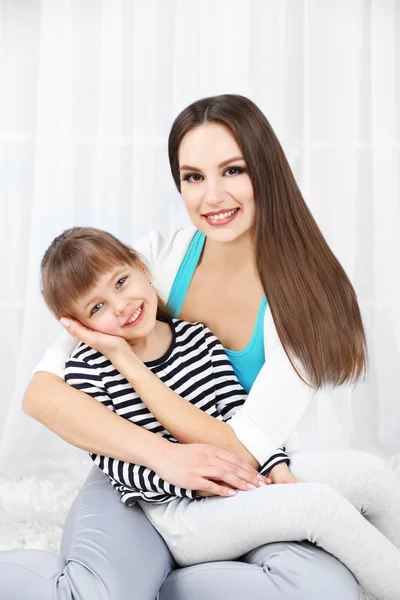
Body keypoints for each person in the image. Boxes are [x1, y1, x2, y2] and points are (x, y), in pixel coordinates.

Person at [0, 94, 379, 600]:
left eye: (233, 170)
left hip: (242, 473)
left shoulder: (309, 297)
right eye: (193, 177)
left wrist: (274, 466)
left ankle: (155, 582)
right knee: (102, 589)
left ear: (266, 170)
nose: (212, 196)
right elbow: (43, 395)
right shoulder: (154, 260)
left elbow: (245, 442)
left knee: (332, 571)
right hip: (146, 478)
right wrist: (164, 457)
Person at [41, 225, 400, 600]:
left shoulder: (197, 338)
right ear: (80, 327)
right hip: (179, 515)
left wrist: (276, 468)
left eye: (120, 282)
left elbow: (237, 416)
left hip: (242, 476)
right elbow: (117, 463)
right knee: (317, 507)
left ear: (141, 269)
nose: (120, 306)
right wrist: (199, 481)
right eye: (96, 307)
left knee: (371, 477)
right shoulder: (88, 370)